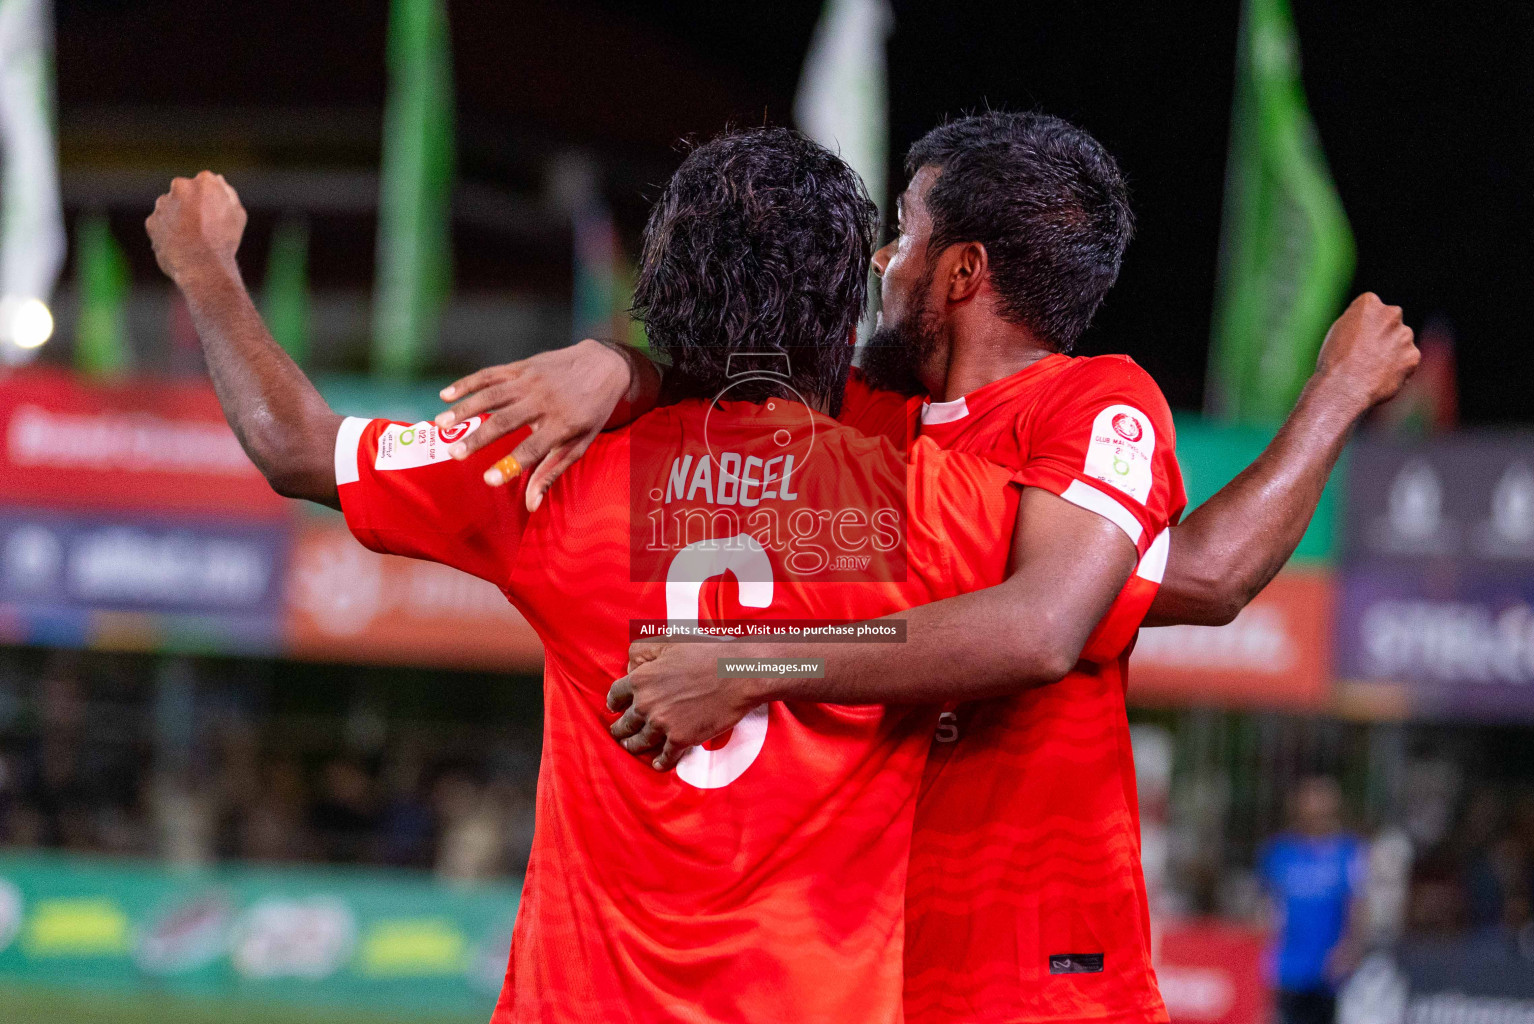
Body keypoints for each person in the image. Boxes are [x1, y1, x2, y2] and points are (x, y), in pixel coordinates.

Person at [434, 112, 1418, 1023]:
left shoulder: (1091, 407)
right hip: (868, 961)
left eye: (903, 233)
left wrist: (1335, 392)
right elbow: (723, 380)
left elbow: (1105, 608)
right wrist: (618, 364)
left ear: (962, 272)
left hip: (1035, 967)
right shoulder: (860, 413)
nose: (879, 259)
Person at [147, 130, 1039, 1023]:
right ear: (839, 314)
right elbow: (1084, 597)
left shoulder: (552, 465)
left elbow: (296, 445)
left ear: (662, 294)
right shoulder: (925, 496)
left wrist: (206, 267)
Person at [1260, 777, 1368, 1024]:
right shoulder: (1279, 853)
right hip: (1286, 966)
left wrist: (1350, 948)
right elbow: (1266, 906)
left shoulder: (1349, 853)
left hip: (1329, 968)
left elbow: (1357, 904)